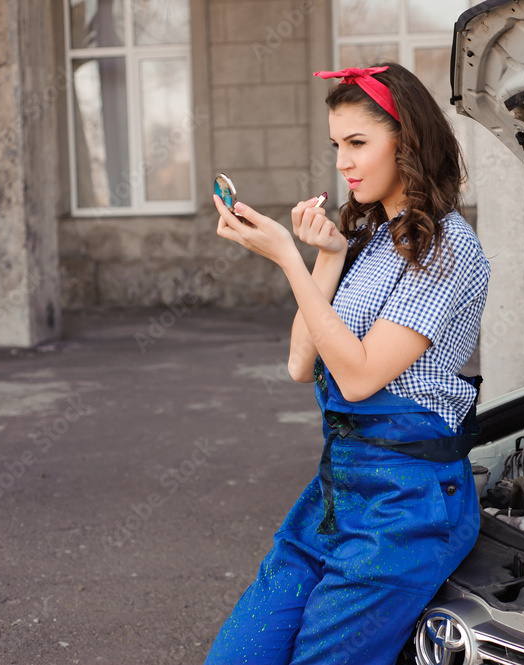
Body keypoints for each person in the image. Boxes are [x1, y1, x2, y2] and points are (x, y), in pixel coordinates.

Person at [203, 62, 490, 665]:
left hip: (408, 503)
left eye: (357, 143)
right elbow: (300, 363)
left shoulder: (448, 245)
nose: (342, 161)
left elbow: (358, 377)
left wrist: (286, 258)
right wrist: (326, 259)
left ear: (407, 143)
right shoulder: (364, 241)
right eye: (336, 144)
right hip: (341, 487)